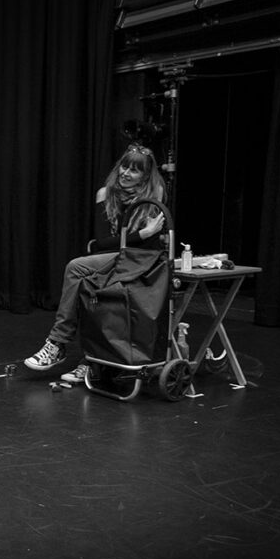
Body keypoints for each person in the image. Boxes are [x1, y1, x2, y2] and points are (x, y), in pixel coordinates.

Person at [24, 143, 166, 381]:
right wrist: (141, 234)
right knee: (81, 272)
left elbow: (147, 247)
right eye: (124, 166)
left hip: (144, 260)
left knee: (78, 269)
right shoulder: (105, 194)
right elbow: (102, 242)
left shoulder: (154, 193)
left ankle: (72, 351)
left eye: (134, 170)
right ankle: (65, 347)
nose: (125, 173)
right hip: (120, 256)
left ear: (145, 176)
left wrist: (143, 238)